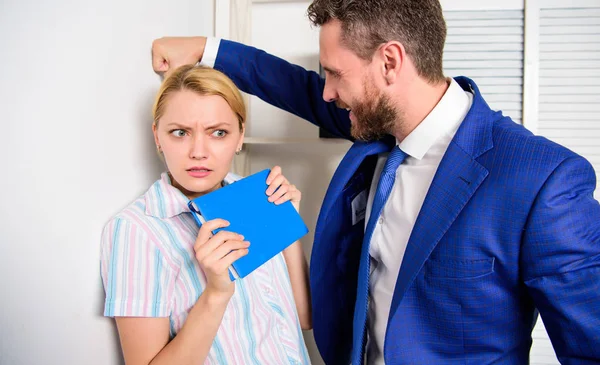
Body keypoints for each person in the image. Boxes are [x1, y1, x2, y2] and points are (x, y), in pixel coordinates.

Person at [151, 0, 600, 364]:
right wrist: (206, 48)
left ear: (390, 61)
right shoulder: (377, 120)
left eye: (335, 74)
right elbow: (298, 88)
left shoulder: (544, 181)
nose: (327, 92)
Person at [100, 65, 312, 365]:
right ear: (157, 137)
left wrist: (288, 225)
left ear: (240, 136)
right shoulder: (137, 230)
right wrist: (216, 292)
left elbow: (303, 317)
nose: (198, 151)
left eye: (218, 133)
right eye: (180, 132)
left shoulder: (255, 193)